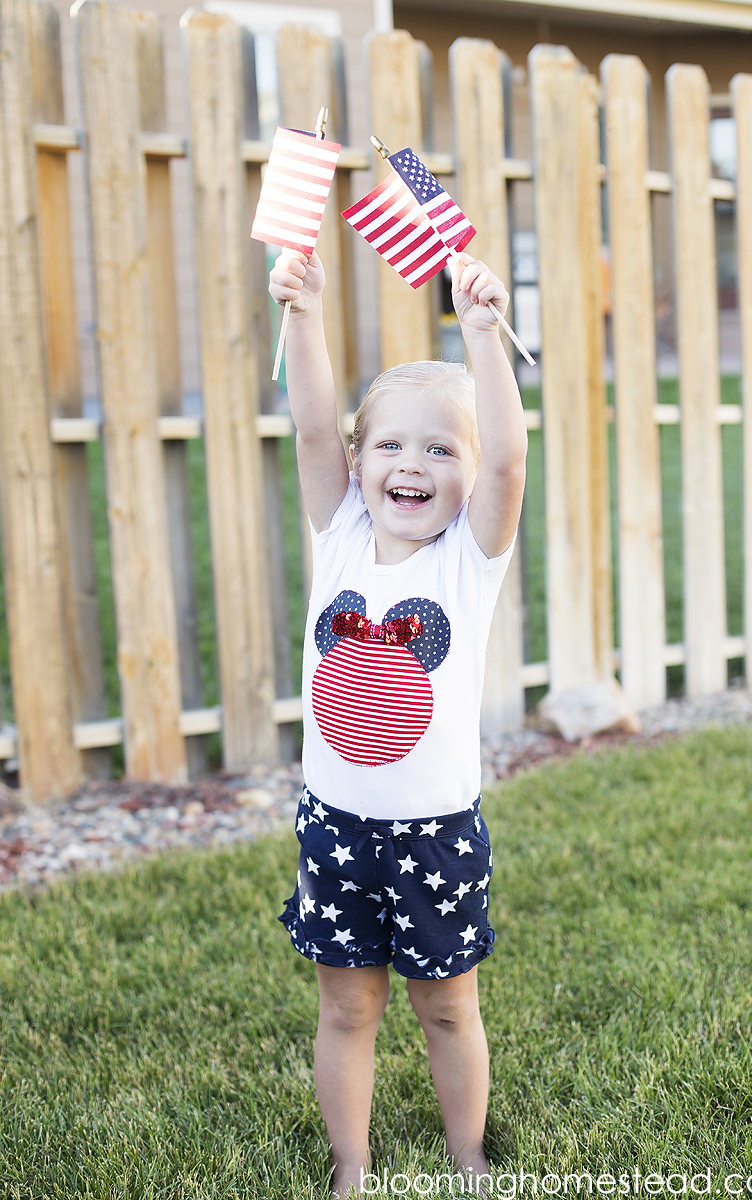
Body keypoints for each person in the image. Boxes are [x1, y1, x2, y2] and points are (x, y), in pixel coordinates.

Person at [268, 246, 528, 1199]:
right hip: (335, 832)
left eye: (438, 449)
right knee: (347, 1008)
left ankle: (466, 1163)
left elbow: (506, 454)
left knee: (448, 1010)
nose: (410, 465)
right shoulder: (337, 531)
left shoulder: (466, 562)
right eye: (389, 444)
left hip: (437, 837)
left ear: (466, 478)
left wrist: (482, 334)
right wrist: (303, 310)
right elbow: (308, 432)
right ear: (357, 457)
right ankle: (353, 1168)